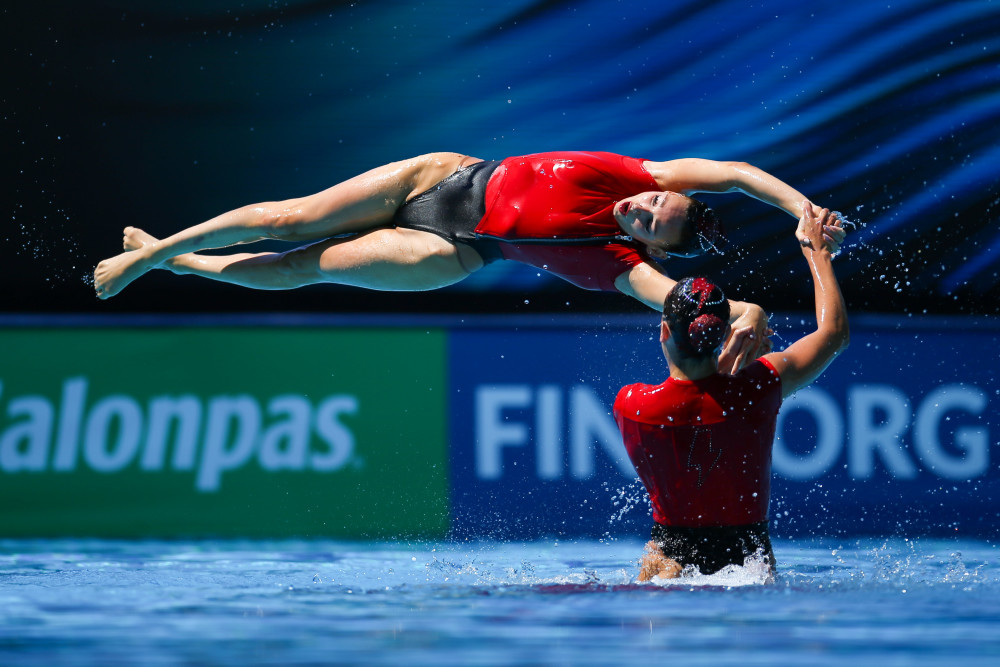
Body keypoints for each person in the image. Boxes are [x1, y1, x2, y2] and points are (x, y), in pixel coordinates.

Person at [94, 151, 844, 358]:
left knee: (301, 266)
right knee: (291, 219)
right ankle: (155, 253)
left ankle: (174, 263)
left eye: (649, 221)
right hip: (445, 176)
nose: (642, 207)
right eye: (653, 201)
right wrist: (800, 209)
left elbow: (677, 303)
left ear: (646, 242)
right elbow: (740, 175)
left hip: (450, 251)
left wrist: (743, 308)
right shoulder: (632, 172)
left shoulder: (617, 261)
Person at [613, 202, 849, 581]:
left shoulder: (632, 404)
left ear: (664, 332)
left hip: (668, 561)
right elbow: (834, 334)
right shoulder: (761, 386)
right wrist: (816, 250)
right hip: (748, 559)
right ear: (724, 334)